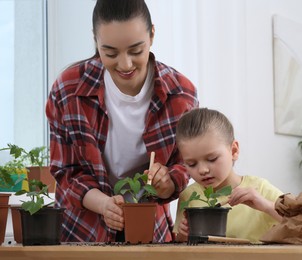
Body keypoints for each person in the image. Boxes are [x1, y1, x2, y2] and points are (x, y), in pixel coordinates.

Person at [45, 0, 198, 243]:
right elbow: (66, 171)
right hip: (82, 231)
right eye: (110, 53)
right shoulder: (68, 89)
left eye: (136, 51)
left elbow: (184, 165)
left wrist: (166, 183)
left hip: (149, 231)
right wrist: (104, 204)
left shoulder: (181, 94)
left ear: (152, 35)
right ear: (96, 40)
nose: (125, 64)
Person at [174, 108, 283, 242]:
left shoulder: (259, 189)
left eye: (212, 159)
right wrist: (183, 235)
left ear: (234, 150)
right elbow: (179, 246)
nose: (202, 170)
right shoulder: (188, 196)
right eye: (191, 164)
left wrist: (265, 205)